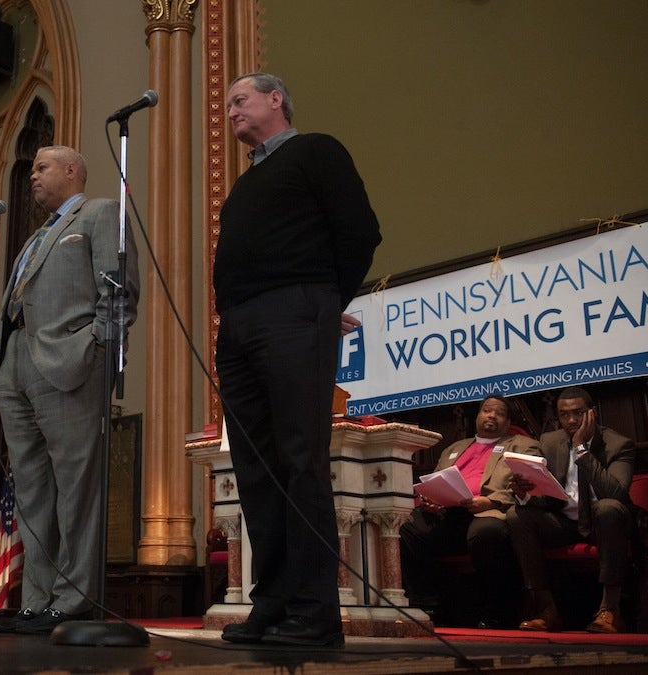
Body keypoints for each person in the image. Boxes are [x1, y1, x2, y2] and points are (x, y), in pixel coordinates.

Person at [212, 72, 381, 647]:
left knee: (298, 458)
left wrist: (325, 298)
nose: (230, 110)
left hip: (294, 313)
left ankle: (314, 610)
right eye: (228, 103)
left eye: (240, 99)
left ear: (276, 99)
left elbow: (360, 233)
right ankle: (273, 604)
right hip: (238, 328)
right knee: (256, 467)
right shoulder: (245, 183)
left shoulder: (315, 151)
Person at [0, 145, 140, 635]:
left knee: (76, 487)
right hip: (16, 365)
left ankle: (74, 600)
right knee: (30, 489)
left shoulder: (99, 213)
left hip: (71, 359)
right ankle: (36, 602)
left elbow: (119, 289)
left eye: (41, 167)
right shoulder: (36, 236)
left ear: (72, 170)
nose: (32, 175)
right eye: (32, 167)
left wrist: (98, 347)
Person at [399, 394, 540, 629]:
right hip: (450, 513)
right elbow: (436, 480)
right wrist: (431, 498)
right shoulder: (454, 449)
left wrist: (492, 501)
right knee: (408, 527)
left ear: (507, 423)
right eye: (486, 410)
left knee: (485, 532)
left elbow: (530, 483)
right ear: (477, 416)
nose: (491, 415)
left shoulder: (523, 445)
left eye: (499, 413)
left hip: (489, 513)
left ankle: (496, 612)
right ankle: (426, 605)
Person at [507, 386, 636, 633]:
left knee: (608, 508)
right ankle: (547, 609)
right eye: (564, 415)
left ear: (592, 414)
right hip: (564, 522)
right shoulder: (550, 441)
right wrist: (525, 493)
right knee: (517, 515)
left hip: (604, 525)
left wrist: (581, 449)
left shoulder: (619, 444)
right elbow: (550, 497)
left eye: (578, 413)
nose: (571, 420)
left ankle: (610, 610)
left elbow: (616, 494)